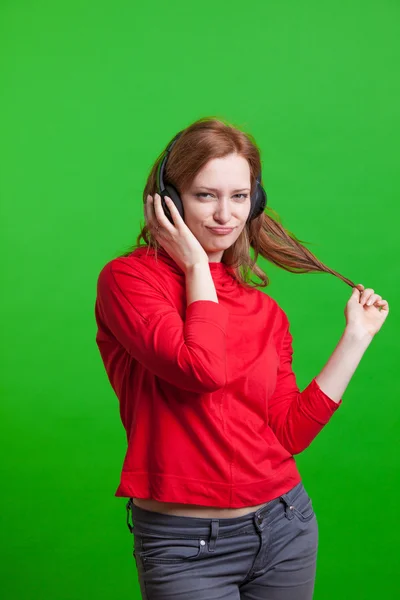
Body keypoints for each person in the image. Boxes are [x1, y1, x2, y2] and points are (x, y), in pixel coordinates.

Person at [94, 117, 389, 600]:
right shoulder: (130, 282)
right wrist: (195, 264)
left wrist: (356, 338)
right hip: (182, 545)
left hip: (285, 526)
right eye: (205, 195)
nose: (225, 215)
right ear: (169, 200)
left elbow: (288, 432)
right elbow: (200, 368)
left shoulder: (264, 310)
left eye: (239, 195)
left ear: (257, 199)